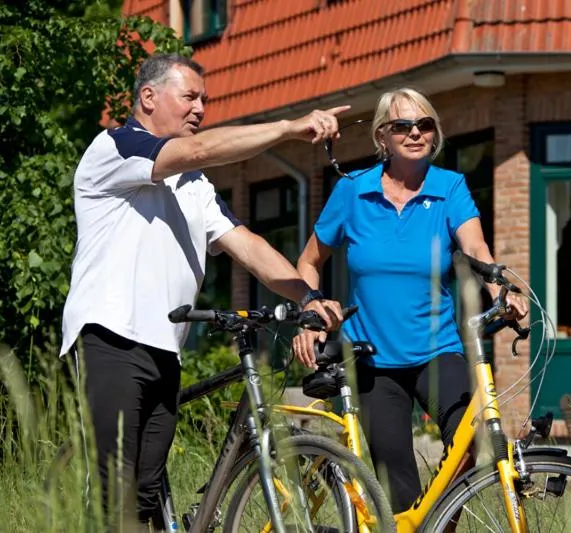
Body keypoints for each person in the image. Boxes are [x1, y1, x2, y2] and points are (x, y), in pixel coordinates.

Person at [59, 53, 347, 528]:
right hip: (108, 337)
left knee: (146, 498)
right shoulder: (116, 148)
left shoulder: (193, 185)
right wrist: (287, 129)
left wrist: (307, 297)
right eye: (190, 97)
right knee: (113, 495)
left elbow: (248, 246)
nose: (200, 109)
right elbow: (198, 150)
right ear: (148, 98)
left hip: (165, 350)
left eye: (205, 101)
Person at [292, 87, 528, 512]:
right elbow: (308, 261)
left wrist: (503, 291)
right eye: (403, 125)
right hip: (372, 361)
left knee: (474, 445)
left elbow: (476, 251)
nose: (415, 133)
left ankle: (438, 521)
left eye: (425, 124)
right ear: (382, 136)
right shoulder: (353, 191)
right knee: (398, 487)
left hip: (437, 350)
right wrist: (311, 307)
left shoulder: (448, 187)